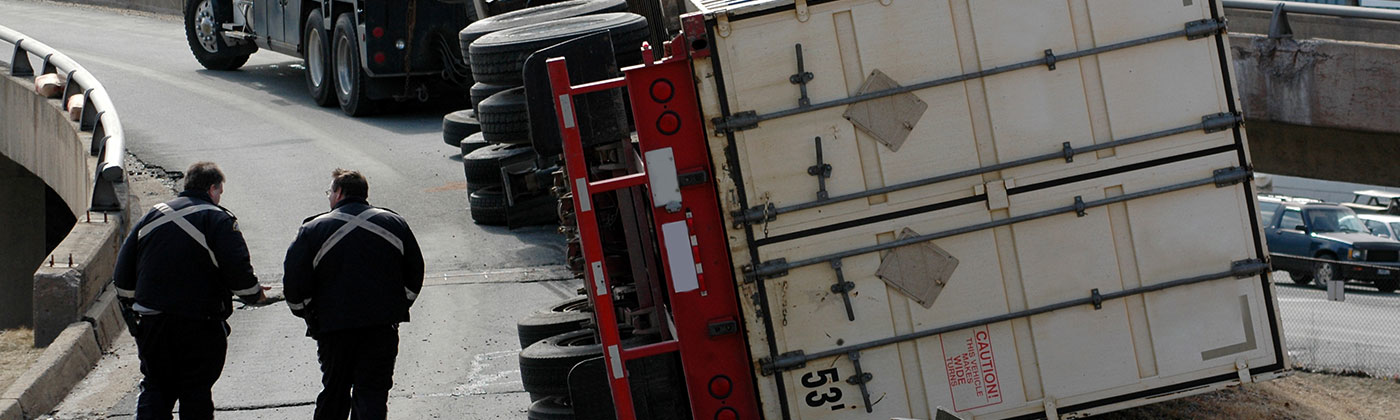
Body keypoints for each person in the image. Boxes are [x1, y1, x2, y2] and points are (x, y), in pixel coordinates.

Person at [113, 161, 265, 420]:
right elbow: (238, 271)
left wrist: (133, 310)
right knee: (196, 391)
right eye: (219, 192)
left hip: (153, 323)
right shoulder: (218, 219)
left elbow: (123, 275)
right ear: (213, 189)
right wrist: (254, 294)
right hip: (199, 324)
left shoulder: (151, 216)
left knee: (156, 387)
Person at [283, 169, 424, 420]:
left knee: (335, 391)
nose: (329, 197)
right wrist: (399, 305)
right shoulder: (394, 223)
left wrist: (307, 312)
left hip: (333, 328)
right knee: (372, 393)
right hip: (381, 326)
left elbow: (294, 281)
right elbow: (414, 272)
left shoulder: (312, 229)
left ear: (338, 192)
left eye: (330, 192)